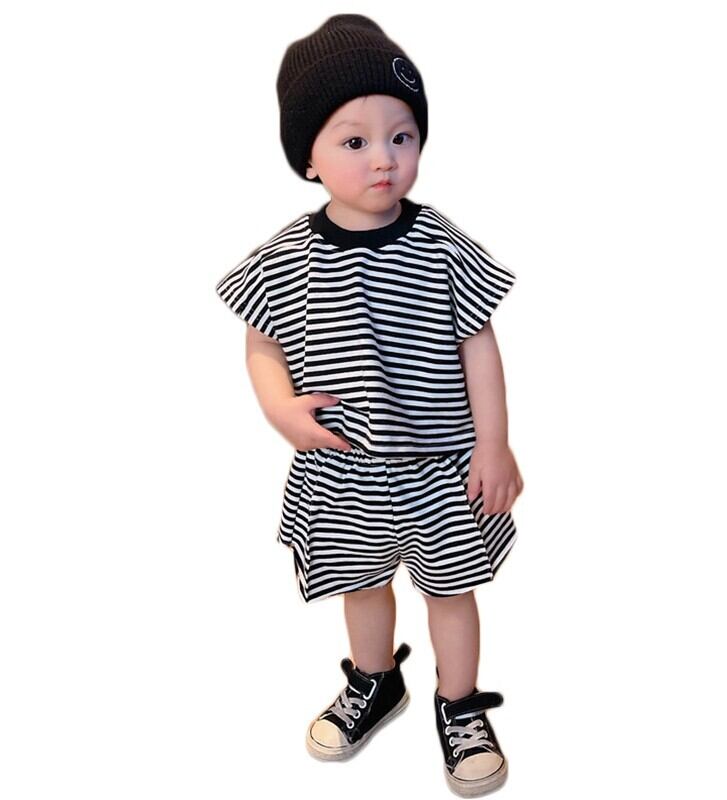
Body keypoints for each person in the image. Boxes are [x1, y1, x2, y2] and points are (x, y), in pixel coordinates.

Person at [215, 14, 523, 797]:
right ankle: (376, 680)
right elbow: (260, 342)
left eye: (402, 136)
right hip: (345, 467)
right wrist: (280, 410)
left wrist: (494, 445)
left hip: (442, 466)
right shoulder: (285, 257)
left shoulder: (441, 243)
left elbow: (479, 345)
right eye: (354, 141)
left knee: (451, 589)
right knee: (362, 584)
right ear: (307, 159)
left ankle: (459, 704)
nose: (384, 158)